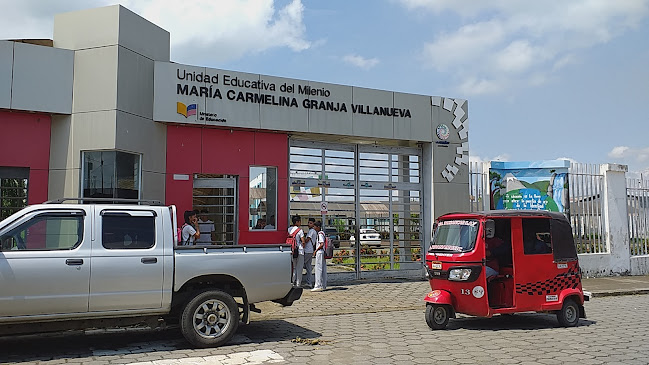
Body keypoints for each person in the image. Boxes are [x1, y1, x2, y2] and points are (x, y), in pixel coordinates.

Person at [289, 215, 306, 287]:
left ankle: (292, 282)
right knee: (299, 268)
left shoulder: (289, 229)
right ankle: (298, 283)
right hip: (299, 251)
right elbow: (303, 241)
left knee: (293, 267)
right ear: (297, 222)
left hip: (292, 250)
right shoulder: (300, 230)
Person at [312, 220, 327, 292]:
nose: (314, 227)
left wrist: (315, 250)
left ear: (318, 227)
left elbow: (321, 244)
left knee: (318, 268)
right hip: (322, 252)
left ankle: (318, 285)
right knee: (323, 268)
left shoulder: (320, 234)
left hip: (319, 252)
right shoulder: (322, 233)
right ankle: (323, 285)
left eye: (315, 226)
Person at [303, 217, 316, 288]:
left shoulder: (311, 231)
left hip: (308, 250)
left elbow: (307, 240)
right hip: (310, 250)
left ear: (313, 224)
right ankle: (309, 282)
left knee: (301, 263)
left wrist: (302, 240)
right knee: (308, 267)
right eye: (308, 223)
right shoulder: (312, 231)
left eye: (310, 223)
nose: (309, 224)